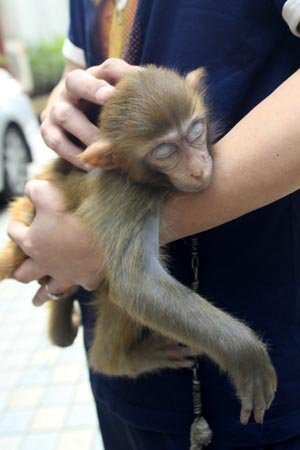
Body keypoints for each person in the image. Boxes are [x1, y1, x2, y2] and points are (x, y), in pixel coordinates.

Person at [8, 1, 300, 449]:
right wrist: (63, 110)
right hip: (129, 398)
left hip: (250, 393)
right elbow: (77, 72)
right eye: (168, 153)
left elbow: (127, 272)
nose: (200, 167)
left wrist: (91, 243)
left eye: (198, 134)